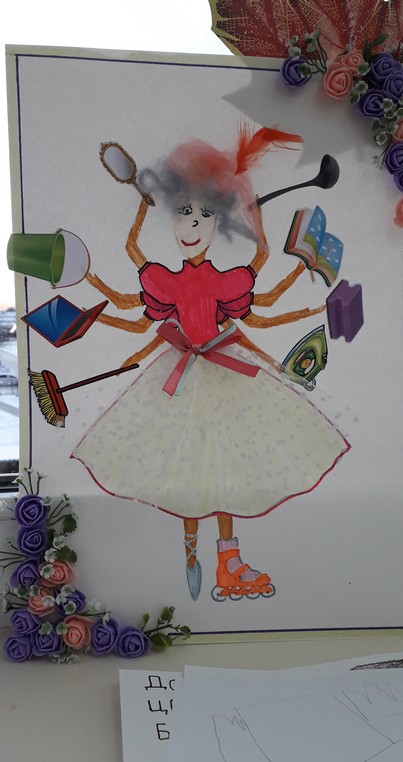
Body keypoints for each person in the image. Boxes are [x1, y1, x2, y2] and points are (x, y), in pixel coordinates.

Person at [72, 124, 350, 601]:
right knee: (186, 465)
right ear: (172, 220)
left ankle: (228, 561)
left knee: (224, 466)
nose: (193, 226)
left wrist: (302, 303)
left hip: (225, 377)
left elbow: (259, 301)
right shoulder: (164, 280)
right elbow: (132, 275)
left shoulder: (226, 282)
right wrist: (135, 214)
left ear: (218, 221)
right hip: (179, 378)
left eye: (205, 215)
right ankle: (190, 553)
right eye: (184, 213)